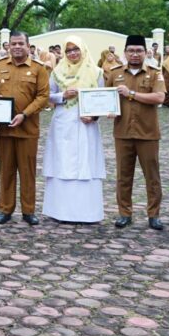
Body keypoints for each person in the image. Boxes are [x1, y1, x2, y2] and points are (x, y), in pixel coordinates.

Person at [105, 35, 166, 230]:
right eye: (130, 50)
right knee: (123, 175)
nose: (134, 54)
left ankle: (153, 214)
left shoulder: (155, 73)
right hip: (122, 132)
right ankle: (124, 213)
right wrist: (103, 110)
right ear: (125, 53)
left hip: (147, 132)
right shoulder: (114, 73)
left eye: (139, 50)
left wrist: (131, 94)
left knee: (152, 176)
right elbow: (104, 97)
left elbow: (159, 97)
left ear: (146, 53)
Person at [0, 31, 50, 225]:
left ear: (28, 46)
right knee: (5, 171)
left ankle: (28, 210)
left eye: (20, 44)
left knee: (27, 171)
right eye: (13, 43)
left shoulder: (38, 68)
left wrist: (24, 114)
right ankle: (5, 209)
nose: (16, 47)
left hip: (27, 129)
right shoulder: (0, 66)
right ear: (8, 46)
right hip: (5, 130)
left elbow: (43, 96)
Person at [42, 37, 106, 223]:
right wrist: (63, 95)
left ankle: (87, 212)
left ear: (83, 49)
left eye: (76, 49)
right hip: (63, 122)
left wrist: (94, 117)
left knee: (86, 161)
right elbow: (47, 95)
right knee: (62, 162)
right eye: (68, 50)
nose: (72, 53)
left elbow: (102, 98)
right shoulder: (57, 72)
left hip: (86, 124)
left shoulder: (96, 72)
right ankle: (60, 211)